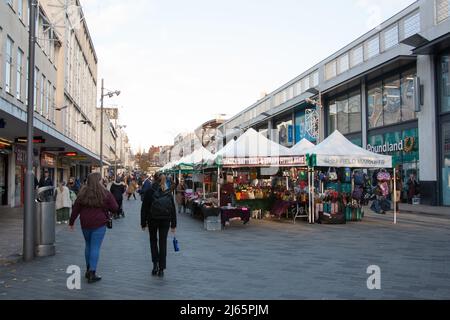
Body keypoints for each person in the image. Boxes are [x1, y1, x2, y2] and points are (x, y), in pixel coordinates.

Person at [69, 172, 119, 284]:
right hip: (99, 223)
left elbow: (76, 209)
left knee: (88, 245)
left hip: (85, 223)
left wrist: (71, 222)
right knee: (95, 247)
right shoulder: (105, 193)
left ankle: (88, 270)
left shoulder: (82, 193)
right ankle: (92, 272)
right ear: (99, 181)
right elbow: (115, 207)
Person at [141, 174, 177, 278]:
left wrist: (143, 223)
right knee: (163, 243)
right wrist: (173, 224)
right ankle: (162, 268)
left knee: (153, 241)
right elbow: (172, 208)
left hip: (152, 219)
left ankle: (155, 265)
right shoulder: (168, 192)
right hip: (165, 220)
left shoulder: (150, 191)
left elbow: (144, 208)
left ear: (154, 179)